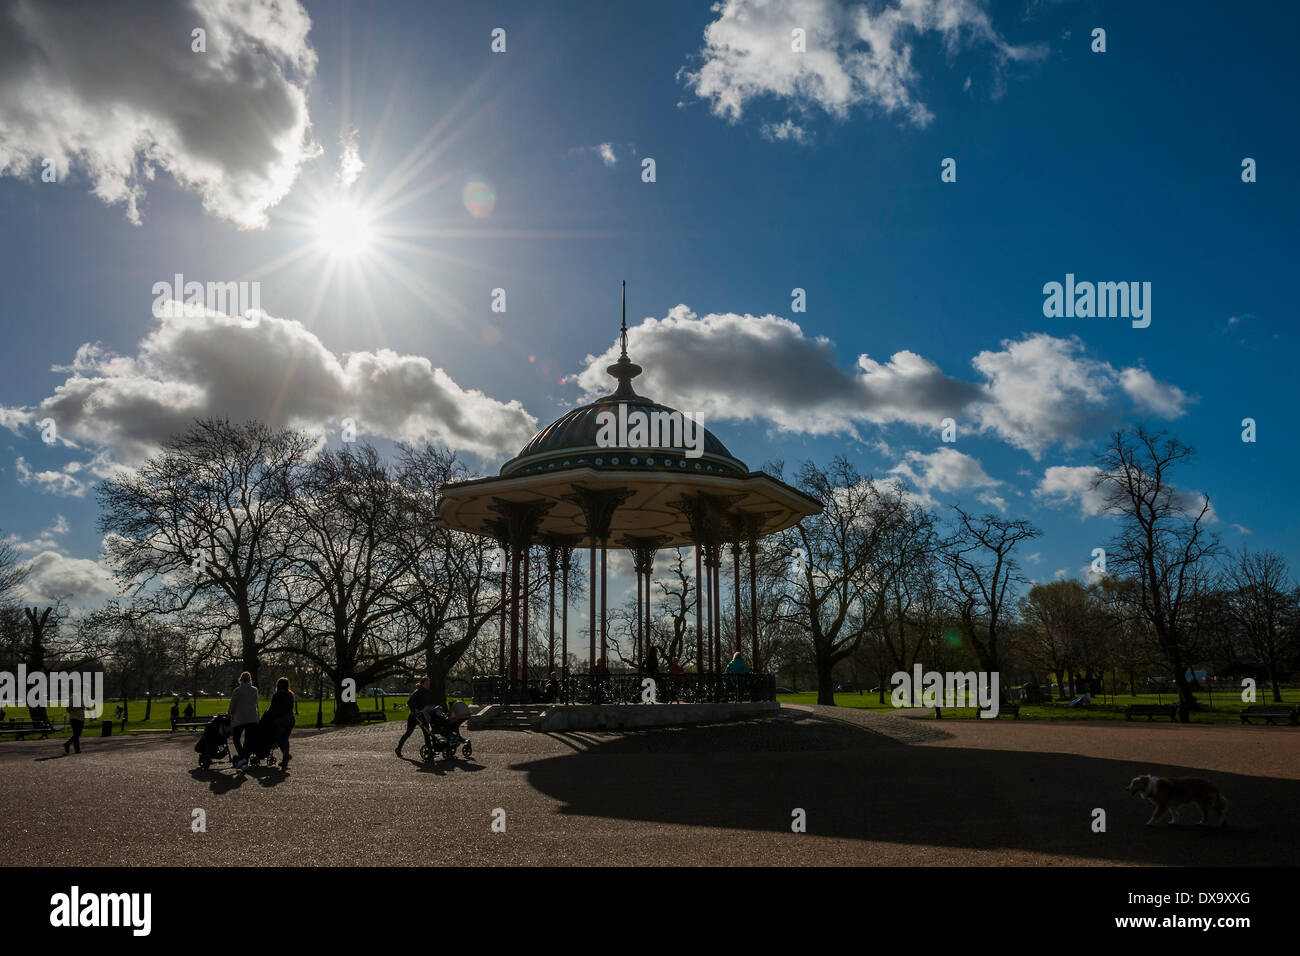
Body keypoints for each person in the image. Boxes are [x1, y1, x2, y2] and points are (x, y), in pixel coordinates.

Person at [228, 672, 260, 769]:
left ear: (240, 679)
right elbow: (255, 703)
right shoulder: (255, 690)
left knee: (236, 738)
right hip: (252, 718)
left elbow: (233, 704)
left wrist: (229, 712)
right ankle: (245, 758)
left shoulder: (237, 691)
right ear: (250, 679)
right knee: (248, 740)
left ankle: (242, 757)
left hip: (240, 717)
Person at [397, 677, 432, 757]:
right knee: (408, 733)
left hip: (422, 715)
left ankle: (429, 751)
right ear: (422, 684)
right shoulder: (417, 692)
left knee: (427, 733)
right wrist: (414, 710)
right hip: (414, 716)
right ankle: (398, 748)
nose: (428, 685)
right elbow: (409, 702)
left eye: (429, 683)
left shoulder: (428, 692)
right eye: (427, 683)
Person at [267, 677, 296, 766]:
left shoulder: (276, 695)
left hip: (282, 719)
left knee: (278, 738)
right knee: (285, 738)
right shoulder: (290, 695)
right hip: (291, 718)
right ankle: (285, 758)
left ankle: (286, 755)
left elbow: (272, 709)